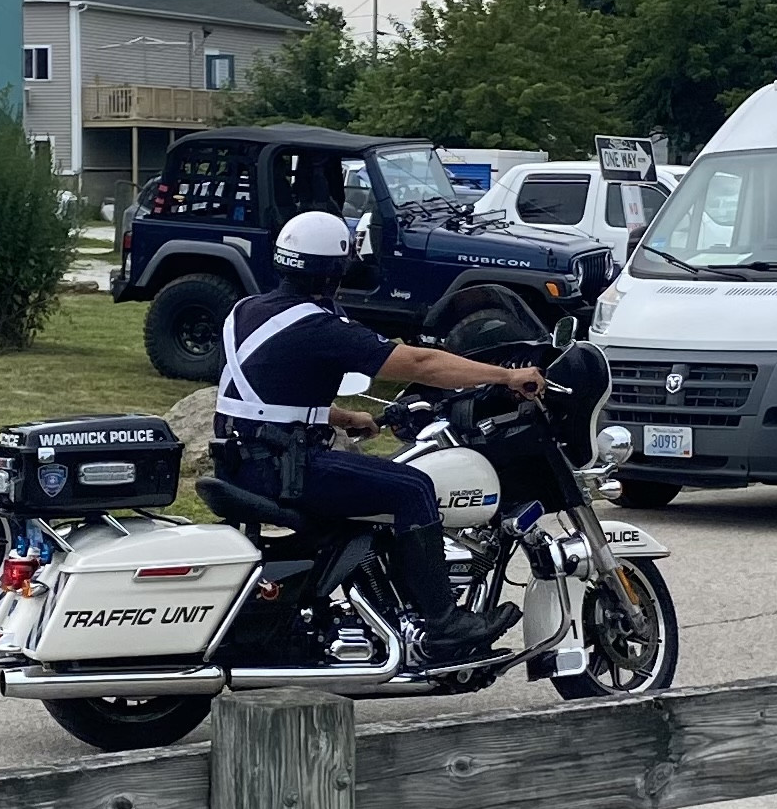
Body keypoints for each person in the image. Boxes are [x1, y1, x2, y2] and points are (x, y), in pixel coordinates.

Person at [213, 210, 547, 663]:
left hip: (241, 461)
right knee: (413, 486)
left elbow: (264, 391)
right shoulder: (319, 326)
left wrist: (343, 416)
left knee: (376, 489)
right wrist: (505, 376)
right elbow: (421, 365)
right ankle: (445, 623)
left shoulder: (246, 311)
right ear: (335, 270)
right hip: (283, 469)